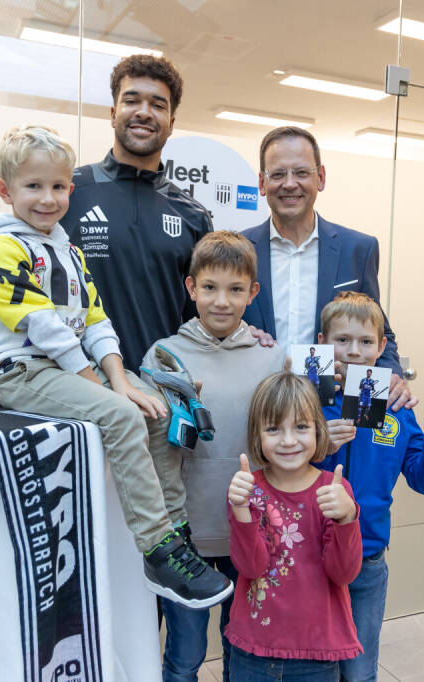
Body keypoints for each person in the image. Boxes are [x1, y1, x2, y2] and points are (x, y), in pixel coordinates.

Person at [0, 124, 232, 609]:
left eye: (59, 187)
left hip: (66, 366)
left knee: (157, 409)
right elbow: (44, 327)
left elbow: (95, 319)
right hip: (17, 370)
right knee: (121, 414)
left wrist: (118, 378)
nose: (48, 198)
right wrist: (104, 391)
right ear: (5, 190)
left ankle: (175, 529)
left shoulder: (66, 250)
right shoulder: (1, 248)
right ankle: (157, 549)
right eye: (33, 186)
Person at [141, 231, 286, 681]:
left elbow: (283, 444)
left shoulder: (272, 357)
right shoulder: (165, 357)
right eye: (209, 288)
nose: (221, 301)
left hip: (251, 532)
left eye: (235, 289)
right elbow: (150, 449)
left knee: (241, 650)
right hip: (188, 535)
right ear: (191, 288)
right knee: (184, 654)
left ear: (252, 293)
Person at [317, 292, 424, 682]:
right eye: (342, 340)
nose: (353, 351)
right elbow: (280, 466)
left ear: (381, 347)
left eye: (364, 342)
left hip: (368, 556)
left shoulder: (396, 407)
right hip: (311, 553)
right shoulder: (307, 400)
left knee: (359, 671)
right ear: (324, 341)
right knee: (315, 668)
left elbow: (422, 479)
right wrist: (320, 443)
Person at [241, 126, 415, 409]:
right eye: (278, 174)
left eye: (301, 173)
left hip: (330, 413)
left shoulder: (357, 249)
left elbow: (380, 333)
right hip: (254, 411)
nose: (289, 184)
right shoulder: (239, 250)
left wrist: (393, 376)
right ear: (262, 183)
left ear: (320, 178)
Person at [60, 54, 213, 373]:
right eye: (132, 100)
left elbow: (206, 319)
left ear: (171, 124)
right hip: (79, 392)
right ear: (114, 114)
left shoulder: (194, 217)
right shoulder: (67, 193)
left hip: (162, 398)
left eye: (158, 105)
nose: (144, 112)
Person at [225, 372, 363, 679]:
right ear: (257, 434)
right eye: (274, 429)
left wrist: (346, 518)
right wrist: (240, 509)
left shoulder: (334, 491)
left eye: (301, 427)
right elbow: (250, 567)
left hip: (316, 655)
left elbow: (344, 573)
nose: (288, 441)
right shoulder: (247, 490)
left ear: (317, 429)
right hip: (253, 653)